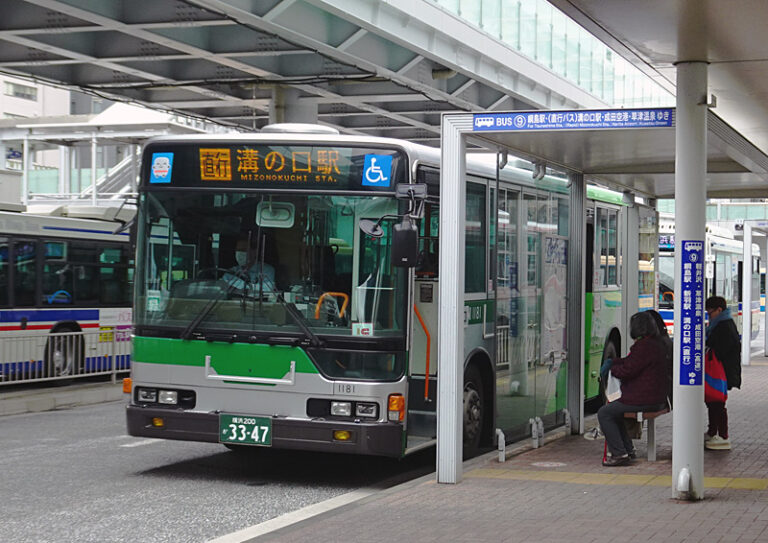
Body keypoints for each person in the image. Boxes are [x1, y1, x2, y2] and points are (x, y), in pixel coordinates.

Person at [597, 311, 669, 466]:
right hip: (657, 397)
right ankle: (627, 449)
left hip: (644, 398)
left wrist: (612, 368)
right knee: (615, 413)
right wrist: (615, 362)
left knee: (605, 413)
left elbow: (627, 371)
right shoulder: (656, 344)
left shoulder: (643, 347)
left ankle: (619, 453)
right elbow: (630, 362)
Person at [704, 296, 742, 450]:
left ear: (719, 310)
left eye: (710, 312)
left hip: (722, 372)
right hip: (721, 371)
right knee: (714, 402)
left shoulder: (723, 325)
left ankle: (722, 436)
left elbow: (720, 350)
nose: (709, 316)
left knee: (717, 403)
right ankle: (713, 432)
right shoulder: (721, 323)